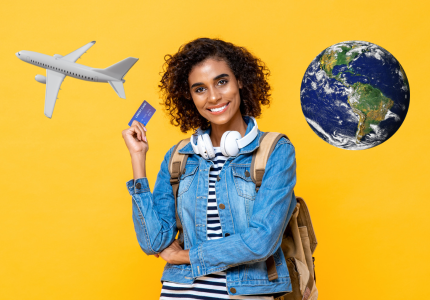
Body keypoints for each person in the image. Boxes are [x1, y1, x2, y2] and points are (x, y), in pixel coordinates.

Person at [122, 38, 297, 300]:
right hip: (179, 292)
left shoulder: (275, 150)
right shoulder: (179, 156)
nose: (213, 96)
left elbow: (261, 242)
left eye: (222, 81)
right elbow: (154, 242)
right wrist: (138, 159)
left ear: (239, 80)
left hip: (246, 292)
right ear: (190, 96)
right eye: (200, 89)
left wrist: (186, 255)